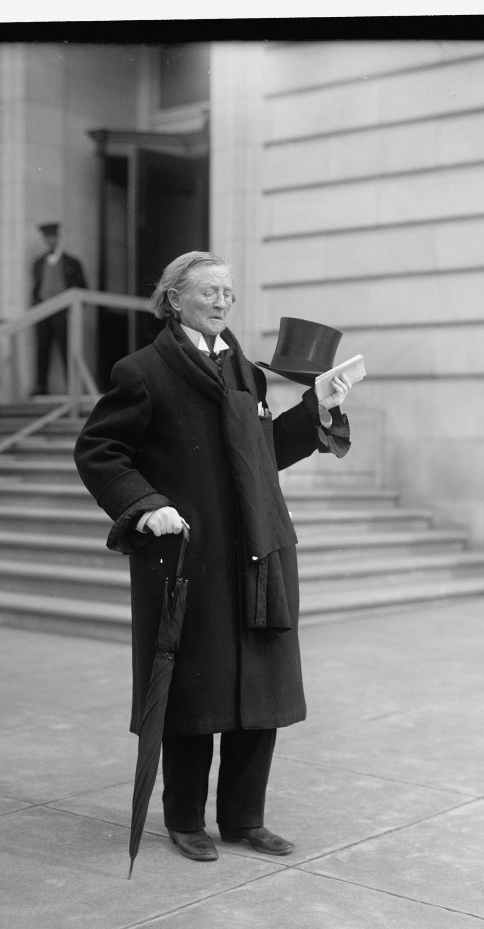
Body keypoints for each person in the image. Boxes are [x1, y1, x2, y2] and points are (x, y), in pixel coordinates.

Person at [74, 251, 353, 864]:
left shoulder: (245, 370)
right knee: (192, 693)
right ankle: (184, 820)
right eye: (209, 292)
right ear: (175, 299)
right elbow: (98, 452)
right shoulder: (142, 371)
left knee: (261, 690)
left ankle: (244, 819)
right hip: (187, 557)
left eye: (228, 291)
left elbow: (266, 453)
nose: (224, 301)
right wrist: (145, 504)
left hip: (259, 549)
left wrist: (318, 408)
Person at [30, 222, 87, 396]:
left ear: (58, 237)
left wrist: (72, 310)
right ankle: (41, 387)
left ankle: (72, 388)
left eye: (52, 237)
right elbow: (36, 288)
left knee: (67, 349)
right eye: (46, 238)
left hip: (63, 311)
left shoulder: (72, 262)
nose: (49, 241)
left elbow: (83, 288)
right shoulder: (39, 263)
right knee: (42, 348)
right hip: (43, 311)